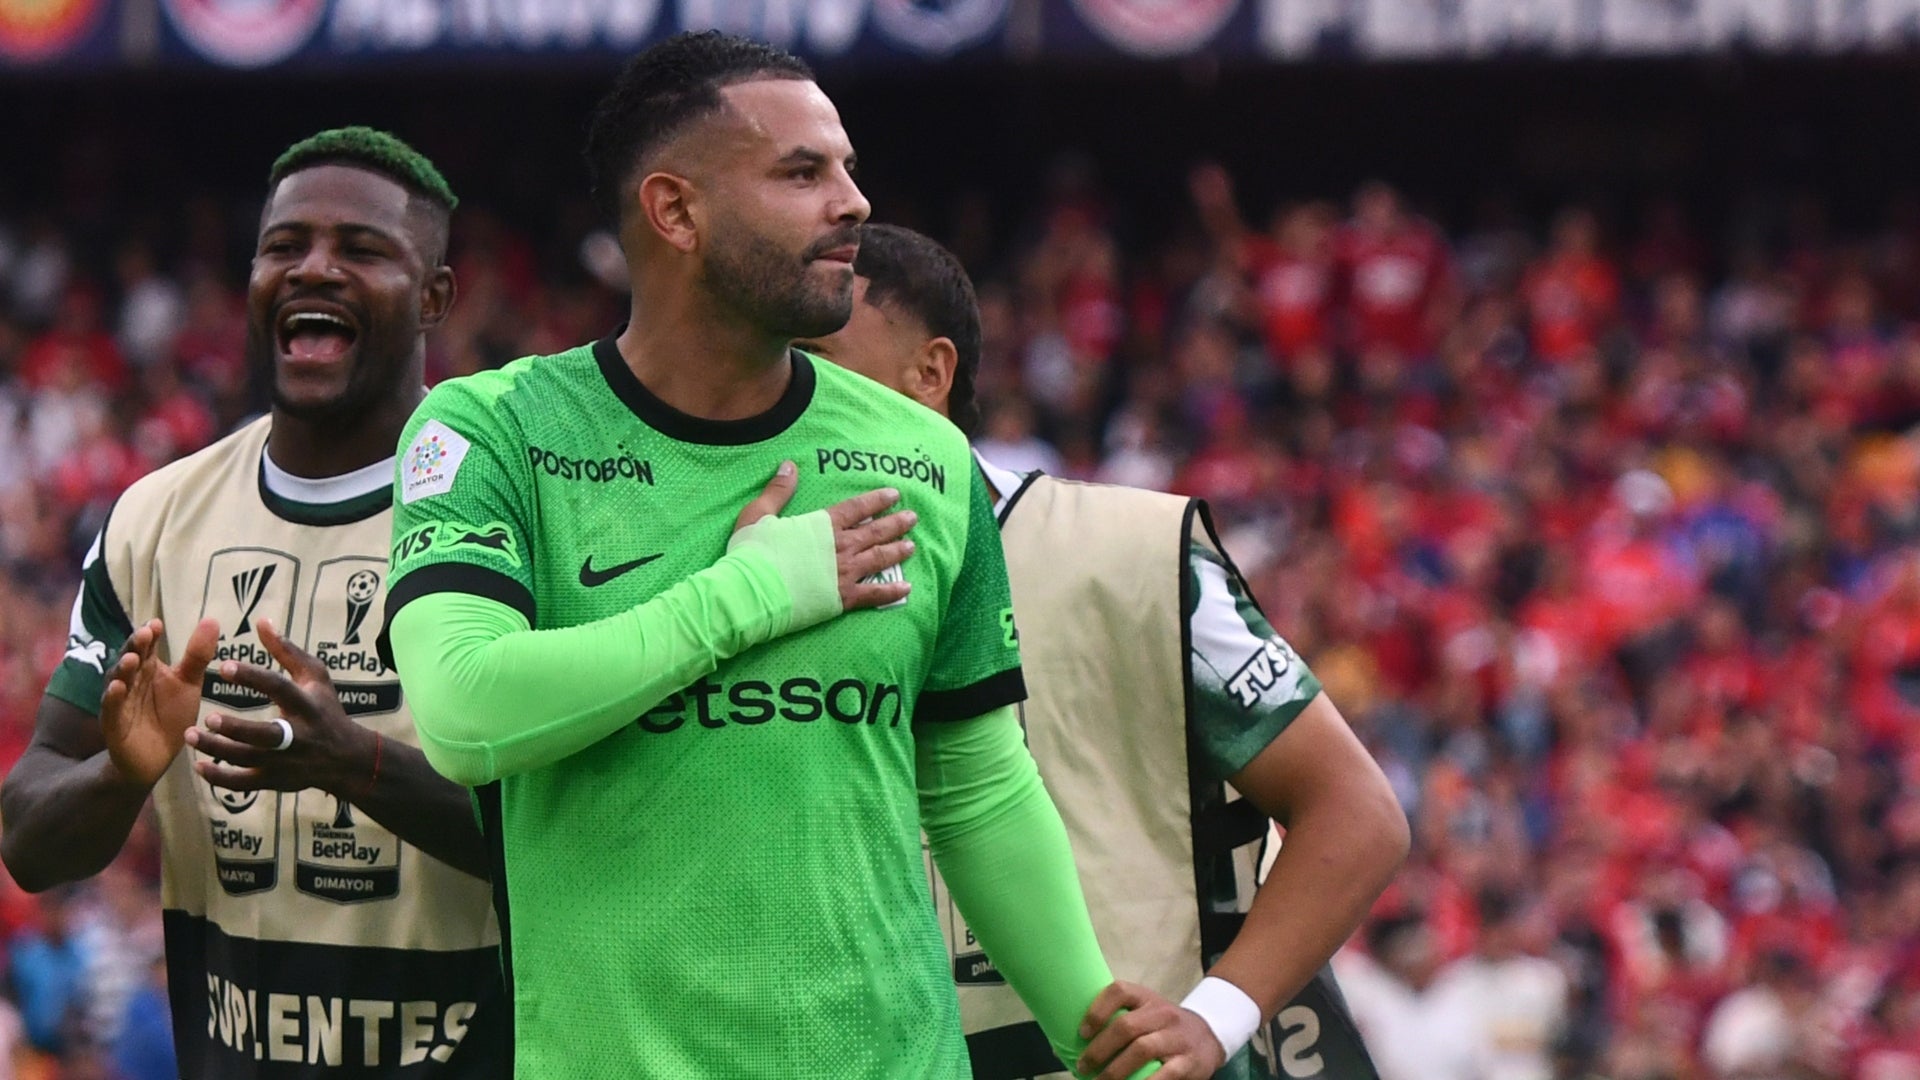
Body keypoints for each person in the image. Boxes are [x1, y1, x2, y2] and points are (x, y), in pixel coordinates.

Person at [378, 31, 1127, 1080]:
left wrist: (1104, 1038)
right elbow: (465, 711)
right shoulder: (493, 429)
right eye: (802, 172)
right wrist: (749, 596)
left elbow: (974, 786)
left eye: (849, 168)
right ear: (676, 211)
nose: (855, 202)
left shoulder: (923, 454)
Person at [796, 224, 1409, 1080]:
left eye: (815, 354)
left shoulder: (1133, 555)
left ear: (929, 374)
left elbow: (1357, 814)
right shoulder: (751, 579)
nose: (785, 390)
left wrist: (1211, 1020)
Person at [0, 127, 505, 1078]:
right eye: (285, 246)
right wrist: (120, 776)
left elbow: (587, 841)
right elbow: (27, 838)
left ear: (434, 296)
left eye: (361, 249)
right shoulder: (154, 520)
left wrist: (356, 764)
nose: (314, 268)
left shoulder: (507, 509)